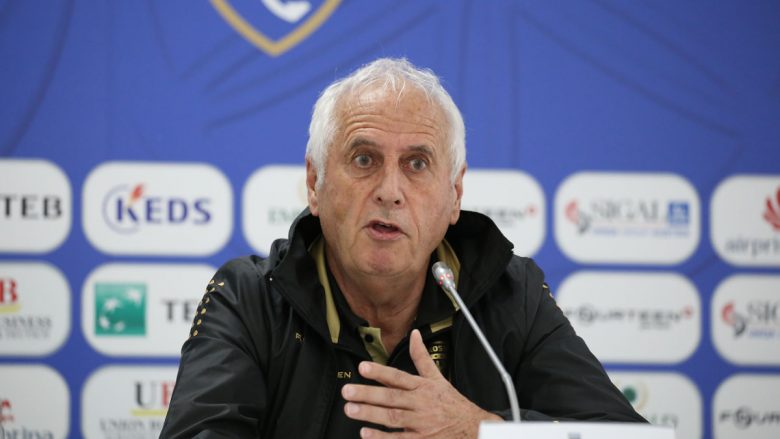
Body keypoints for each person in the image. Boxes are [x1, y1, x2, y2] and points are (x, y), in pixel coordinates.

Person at [160, 58, 645, 438]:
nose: (390, 191)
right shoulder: (249, 298)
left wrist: (479, 431)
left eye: (416, 164)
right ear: (314, 183)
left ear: (455, 194)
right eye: (364, 159)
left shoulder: (511, 296)